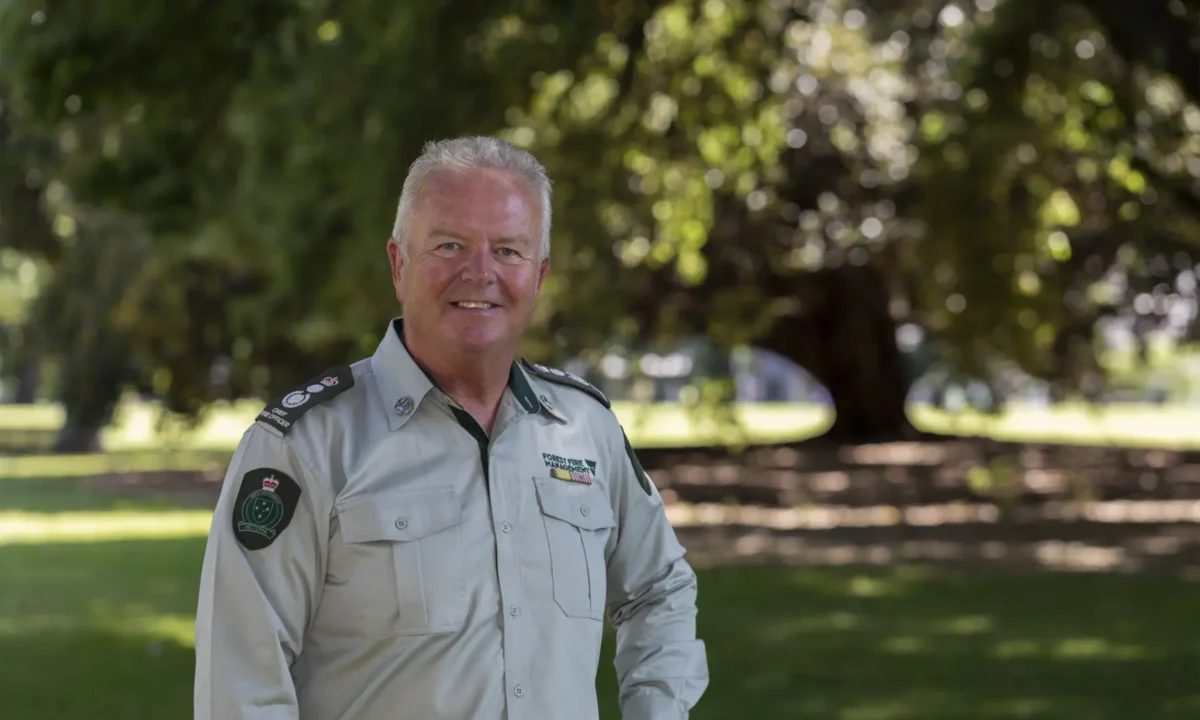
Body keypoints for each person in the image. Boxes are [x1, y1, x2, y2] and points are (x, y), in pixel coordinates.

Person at [193, 136, 709, 719]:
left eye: (508, 251)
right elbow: (240, 681)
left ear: (538, 276)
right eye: (449, 245)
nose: (480, 272)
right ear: (398, 264)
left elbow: (659, 590)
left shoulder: (584, 429)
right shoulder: (306, 446)